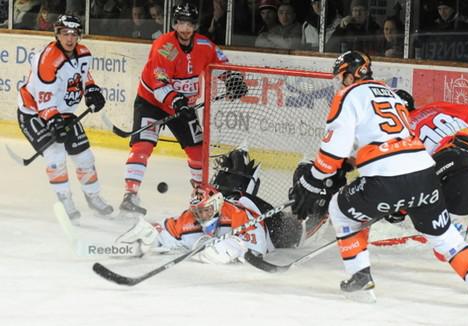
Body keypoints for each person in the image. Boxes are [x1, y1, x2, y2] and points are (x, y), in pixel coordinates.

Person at [289, 50, 468, 306]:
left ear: (349, 75)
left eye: (340, 77)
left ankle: (359, 275)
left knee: (339, 209)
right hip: (424, 174)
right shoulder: (390, 94)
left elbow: (335, 149)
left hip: (386, 178)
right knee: (445, 237)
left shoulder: (348, 94)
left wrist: (315, 179)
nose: (339, 82)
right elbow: (393, 143)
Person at [119, 2, 248, 216]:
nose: (185, 28)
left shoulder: (205, 46)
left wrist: (232, 79)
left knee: (197, 151)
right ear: (174, 24)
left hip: (183, 107)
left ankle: (200, 196)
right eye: (181, 23)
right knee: (143, 146)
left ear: (196, 25)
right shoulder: (165, 47)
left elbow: (221, 63)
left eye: (189, 23)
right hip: (151, 103)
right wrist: (177, 101)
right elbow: (159, 82)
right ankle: (130, 195)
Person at [396, 90, 468, 282]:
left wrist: (401, 209)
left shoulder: (402, 132)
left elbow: (410, 177)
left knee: (444, 246)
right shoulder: (436, 107)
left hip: (460, 179)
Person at [117, 149, 302, 262]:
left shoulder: (239, 215)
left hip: (271, 227)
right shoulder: (191, 218)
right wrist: (149, 234)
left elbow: (257, 251)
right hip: (233, 198)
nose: (201, 216)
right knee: (234, 186)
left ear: (216, 205)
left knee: (295, 230)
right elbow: (166, 231)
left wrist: (229, 248)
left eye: (206, 211)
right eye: (197, 211)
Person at [16, 14, 113, 221]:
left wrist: (92, 90)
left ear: (79, 35)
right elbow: (44, 101)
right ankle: (65, 200)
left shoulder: (84, 53)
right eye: (64, 33)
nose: (69, 38)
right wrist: (53, 120)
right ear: (57, 34)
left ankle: (93, 196)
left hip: (64, 112)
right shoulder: (47, 59)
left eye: (74, 34)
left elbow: (84, 76)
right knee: (55, 155)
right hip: (34, 112)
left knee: (85, 157)